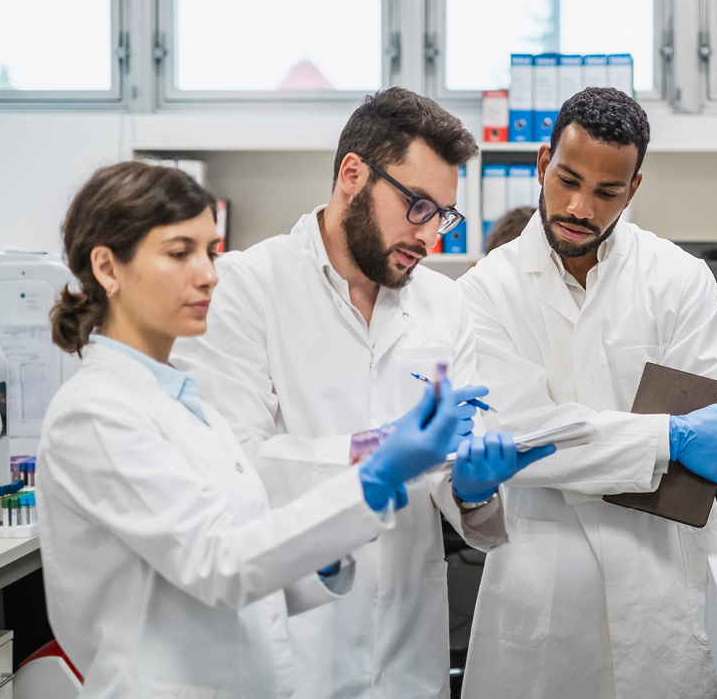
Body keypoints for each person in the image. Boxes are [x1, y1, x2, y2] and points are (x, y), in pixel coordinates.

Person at [37, 161, 472, 698]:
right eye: (179, 254)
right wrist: (374, 475)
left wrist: (326, 562)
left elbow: (246, 557)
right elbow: (220, 564)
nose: (208, 275)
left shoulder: (184, 403)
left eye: (210, 251)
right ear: (107, 267)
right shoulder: (96, 413)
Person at [171, 87, 552, 699]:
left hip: (407, 652)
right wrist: (372, 453)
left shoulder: (444, 303)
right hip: (294, 648)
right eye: (418, 206)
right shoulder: (245, 288)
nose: (432, 238)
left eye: (444, 215)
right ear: (353, 174)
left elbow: (451, 488)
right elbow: (232, 470)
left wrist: (473, 488)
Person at [458, 87, 717, 699]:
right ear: (542, 164)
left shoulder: (681, 280)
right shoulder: (485, 291)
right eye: (566, 180)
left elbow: (685, 482)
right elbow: (516, 435)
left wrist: (573, 447)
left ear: (635, 188)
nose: (579, 206)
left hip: (663, 582)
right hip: (543, 585)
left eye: (606, 192)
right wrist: (663, 438)